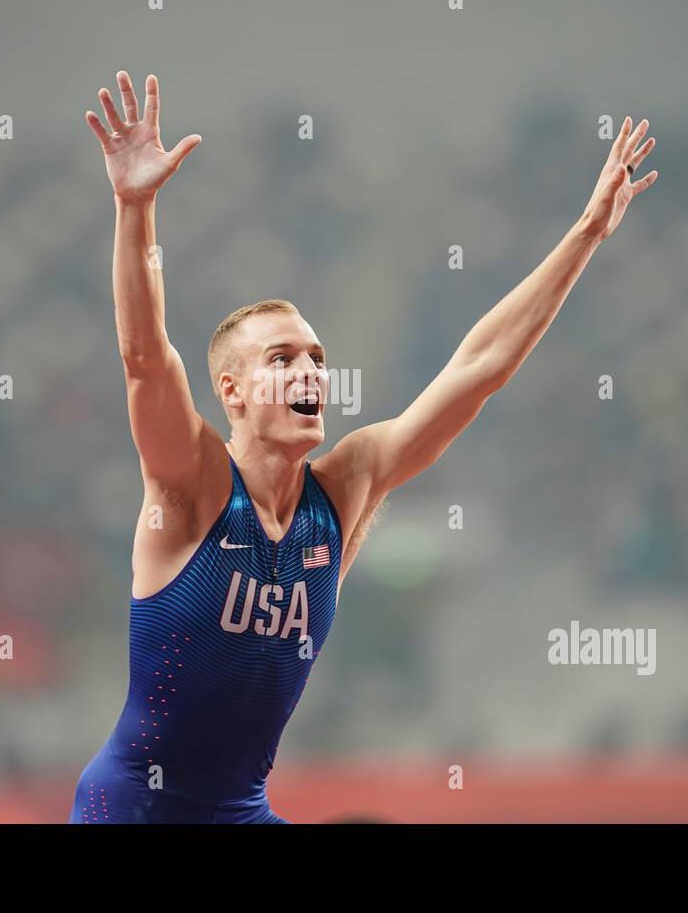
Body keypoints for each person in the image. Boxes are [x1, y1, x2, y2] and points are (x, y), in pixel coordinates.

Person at [70, 71, 658, 823]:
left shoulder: (346, 487)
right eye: (280, 359)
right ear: (233, 392)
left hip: (241, 810)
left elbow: (477, 372)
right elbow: (144, 356)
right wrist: (134, 206)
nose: (309, 370)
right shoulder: (193, 485)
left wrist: (584, 236)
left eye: (316, 357)